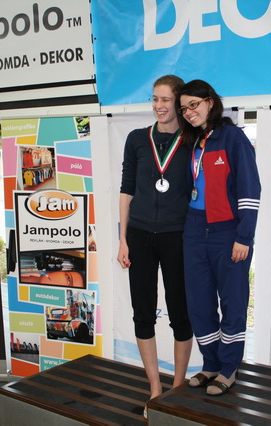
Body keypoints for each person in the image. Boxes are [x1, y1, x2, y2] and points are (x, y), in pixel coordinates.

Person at [177, 80, 261, 396]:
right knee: (199, 303)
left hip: (228, 233)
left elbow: (250, 189)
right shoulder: (191, 142)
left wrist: (244, 236)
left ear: (210, 102)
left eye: (194, 105)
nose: (189, 112)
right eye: (184, 108)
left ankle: (228, 368)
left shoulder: (232, 138)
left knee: (233, 302)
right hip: (195, 231)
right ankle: (210, 364)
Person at [117, 75, 193, 413]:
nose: (158, 106)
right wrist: (122, 238)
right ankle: (154, 389)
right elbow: (126, 190)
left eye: (165, 100)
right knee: (143, 313)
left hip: (178, 236)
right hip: (139, 236)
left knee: (181, 313)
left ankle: (177, 387)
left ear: (178, 103)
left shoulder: (192, 140)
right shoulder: (136, 139)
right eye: (155, 99)